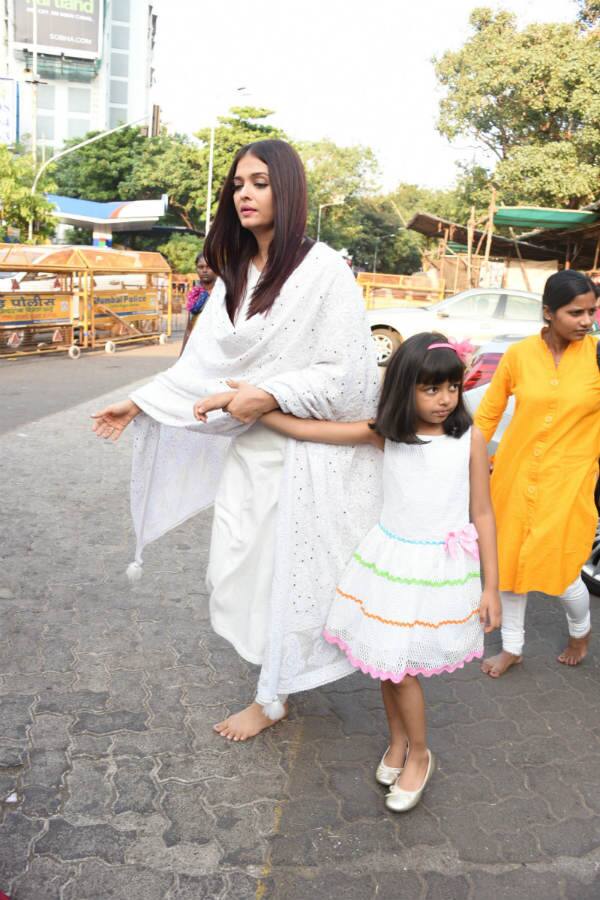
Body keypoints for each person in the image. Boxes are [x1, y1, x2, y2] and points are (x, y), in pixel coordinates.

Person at [91, 139, 381, 741]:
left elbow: (349, 374)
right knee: (237, 568)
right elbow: (202, 367)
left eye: (259, 183)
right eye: (238, 184)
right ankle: (275, 677)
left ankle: (271, 697)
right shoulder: (235, 276)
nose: (244, 194)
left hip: (304, 456)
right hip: (252, 452)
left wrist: (269, 393)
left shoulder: (324, 270)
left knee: (286, 578)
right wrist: (140, 401)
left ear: (287, 189)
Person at [199, 332, 501, 811]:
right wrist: (247, 403)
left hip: (437, 572)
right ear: (405, 388)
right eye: (430, 389)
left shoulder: (470, 440)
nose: (444, 399)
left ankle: (421, 755)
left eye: (452, 387)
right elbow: (306, 431)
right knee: (386, 662)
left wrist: (491, 588)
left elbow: (482, 512)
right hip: (388, 565)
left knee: (400, 669)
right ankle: (398, 744)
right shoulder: (387, 434)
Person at [474, 269, 600, 677]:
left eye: (592, 311)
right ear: (548, 312)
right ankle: (512, 647)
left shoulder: (597, 356)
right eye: (576, 312)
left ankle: (580, 631)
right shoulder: (519, 355)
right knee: (509, 566)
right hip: (514, 476)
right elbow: (489, 413)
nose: (587, 321)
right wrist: (472, 459)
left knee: (562, 569)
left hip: (569, 482)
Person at [180, 253, 217, 354]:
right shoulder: (194, 294)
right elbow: (189, 329)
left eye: (209, 267)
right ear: (196, 269)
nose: (204, 270)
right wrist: (182, 355)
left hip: (216, 349)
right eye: (201, 267)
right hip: (196, 349)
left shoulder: (222, 293)